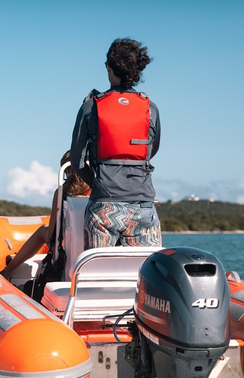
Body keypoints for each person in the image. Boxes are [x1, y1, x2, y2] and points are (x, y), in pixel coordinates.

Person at [69, 37, 162, 250]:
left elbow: (77, 161)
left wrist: (98, 186)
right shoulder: (150, 108)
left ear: (109, 67)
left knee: (100, 276)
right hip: (143, 206)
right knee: (144, 276)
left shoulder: (91, 106)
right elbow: (151, 150)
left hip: (104, 207)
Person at [1, 151, 90, 282]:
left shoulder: (61, 192)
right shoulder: (98, 190)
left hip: (66, 251)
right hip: (93, 251)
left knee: (44, 229)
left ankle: (7, 271)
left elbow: (51, 236)